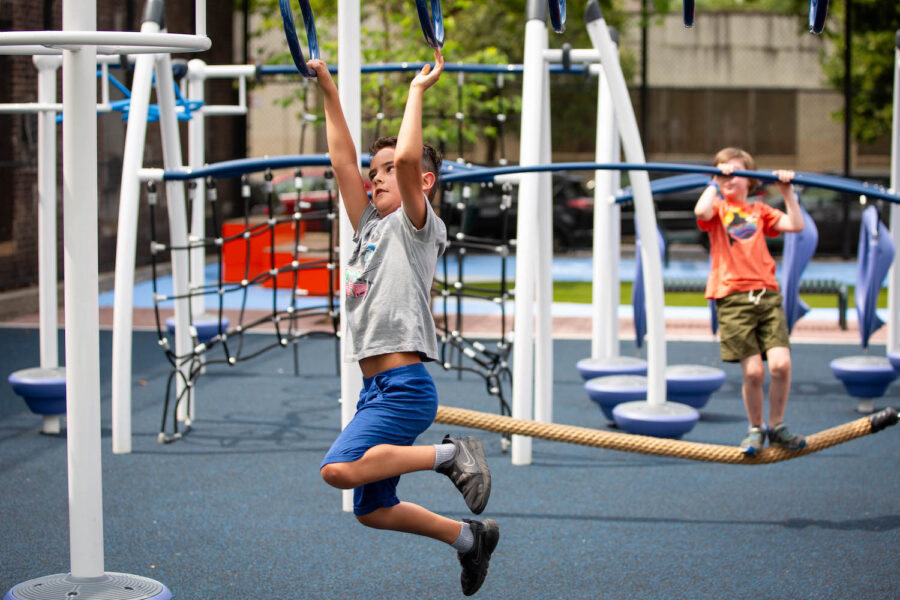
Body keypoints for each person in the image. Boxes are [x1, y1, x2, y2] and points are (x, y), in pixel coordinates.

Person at [307, 50, 499, 596]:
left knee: (338, 471)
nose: (377, 179)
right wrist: (327, 88)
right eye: (376, 174)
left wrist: (417, 90)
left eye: (389, 170)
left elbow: (410, 158)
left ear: (425, 182)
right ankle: (469, 540)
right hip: (377, 390)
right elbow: (344, 161)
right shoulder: (369, 224)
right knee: (372, 509)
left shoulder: (417, 225)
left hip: (405, 387)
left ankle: (450, 454)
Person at [694, 147, 808, 456]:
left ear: (749, 180)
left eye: (735, 172)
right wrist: (715, 182)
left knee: (782, 365)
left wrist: (787, 191)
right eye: (721, 170)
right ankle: (756, 428)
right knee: (754, 372)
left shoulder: (760, 210)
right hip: (732, 297)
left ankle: (778, 426)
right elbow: (700, 212)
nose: (729, 177)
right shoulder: (717, 206)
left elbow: (796, 225)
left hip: (766, 294)